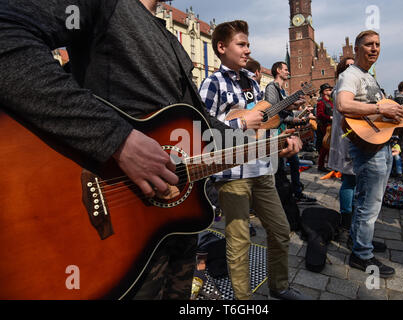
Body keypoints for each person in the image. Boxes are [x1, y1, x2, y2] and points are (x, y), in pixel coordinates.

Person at [0, 0, 235, 300]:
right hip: (117, 228)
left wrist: (260, 141)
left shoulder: (168, 38)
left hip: (176, 222)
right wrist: (117, 139)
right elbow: (6, 34)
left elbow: (198, 120)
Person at [199, 20, 309, 300]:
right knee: (239, 242)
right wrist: (239, 124)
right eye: (242, 44)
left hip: (261, 168)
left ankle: (280, 286)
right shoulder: (212, 83)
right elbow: (200, 128)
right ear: (222, 48)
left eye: (248, 44)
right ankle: (243, 301)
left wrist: (284, 139)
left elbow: (263, 121)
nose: (248, 49)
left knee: (281, 230)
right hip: (232, 175)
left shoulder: (251, 82)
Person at [336, 30, 403, 277]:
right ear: (357, 49)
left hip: (380, 144)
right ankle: (361, 255)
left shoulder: (369, 78)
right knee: (369, 203)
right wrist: (379, 107)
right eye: (369, 44)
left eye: (378, 44)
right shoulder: (350, 75)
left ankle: (361, 240)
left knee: (371, 200)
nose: (374, 48)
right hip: (367, 146)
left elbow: (393, 113)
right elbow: (343, 104)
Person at [265, 61, 317, 204]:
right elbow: (272, 112)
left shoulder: (283, 91)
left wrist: (298, 111)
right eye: (286, 69)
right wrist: (292, 110)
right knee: (280, 166)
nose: (288, 72)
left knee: (294, 162)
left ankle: (295, 193)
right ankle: (283, 197)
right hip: (277, 131)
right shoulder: (271, 87)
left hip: (284, 129)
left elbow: (283, 111)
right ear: (278, 70)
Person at [328, 57, 355, 230]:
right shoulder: (341, 87)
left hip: (356, 137)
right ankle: (346, 217)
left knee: (354, 180)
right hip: (348, 138)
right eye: (348, 66)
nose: (353, 69)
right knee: (349, 180)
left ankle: (351, 215)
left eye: (354, 65)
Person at [316, 83, 334, 172]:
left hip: (332, 126)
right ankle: (321, 165)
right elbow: (319, 115)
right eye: (328, 90)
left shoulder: (331, 101)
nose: (330, 91)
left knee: (331, 146)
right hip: (325, 126)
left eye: (330, 90)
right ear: (324, 92)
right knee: (325, 146)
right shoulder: (320, 102)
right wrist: (330, 117)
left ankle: (331, 164)